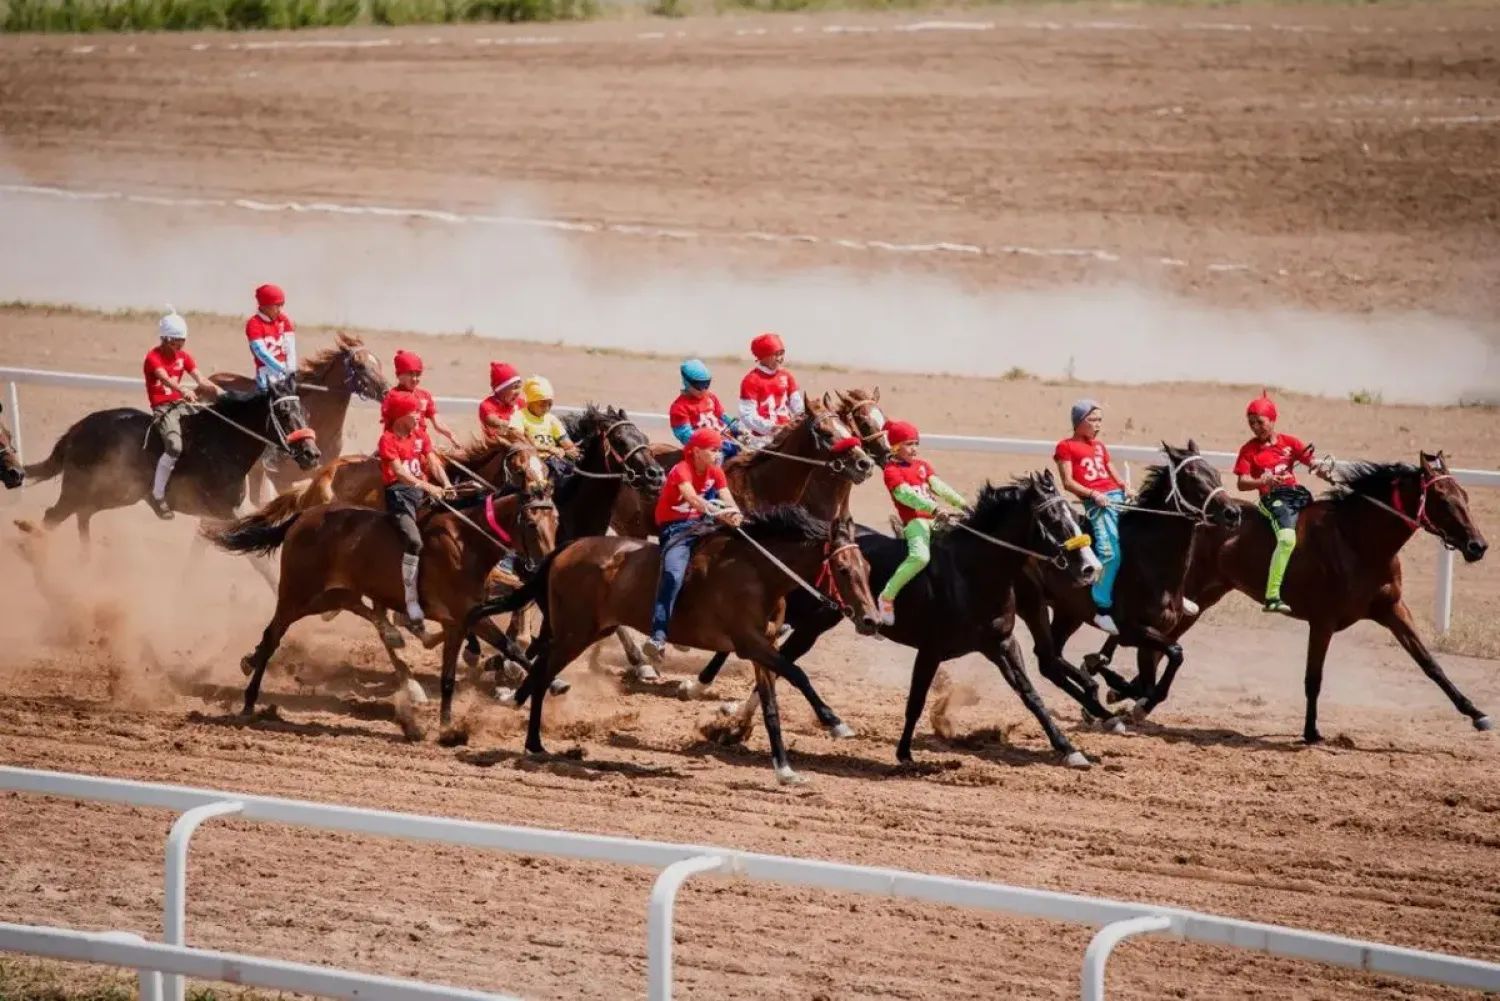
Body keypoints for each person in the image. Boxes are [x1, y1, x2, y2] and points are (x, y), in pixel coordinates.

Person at [643, 427, 743, 664]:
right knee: (673, 575)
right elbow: (693, 499)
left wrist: (735, 513)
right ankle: (657, 636)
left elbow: (727, 497)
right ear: (696, 451)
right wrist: (718, 512)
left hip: (703, 525)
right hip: (675, 528)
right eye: (713, 450)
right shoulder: (681, 469)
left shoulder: (716, 472)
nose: (718, 454)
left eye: (719, 449)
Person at [1233, 391, 1334, 615]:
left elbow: (1312, 463)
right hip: (1273, 499)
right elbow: (1242, 482)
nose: (1255, 427)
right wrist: (1262, 480)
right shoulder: (1249, 450)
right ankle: (1272, 595)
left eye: (1260, 422)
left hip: (1298, 495)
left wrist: (1323, 472)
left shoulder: (1289, 443)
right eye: (1251, 423)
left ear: (1272, 420)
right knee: (1287, 539)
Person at [876, 421, 967, 626]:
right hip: (916, 522)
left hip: (935, 519)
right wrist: (933, 509)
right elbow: (905, 496)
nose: (914, 449)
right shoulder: (891, 471)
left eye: (916, 443)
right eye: (909, 444)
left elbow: (941, 488)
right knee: (920, 557)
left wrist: (963, 505)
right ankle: (887, 596)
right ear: (895, 447)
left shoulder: (923, 466)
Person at [379, 390, 454, 630]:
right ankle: (409, 602)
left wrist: (447, 484)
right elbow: (399, 472)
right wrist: (428, 486)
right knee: (414, 541)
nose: (418, 416)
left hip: (422, 494)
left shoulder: (420, 435)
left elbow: (432, 461)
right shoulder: (388, 439)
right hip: (400, 496)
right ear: (401, 416)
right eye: (414, 412)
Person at [1055, 400, 1129, 634]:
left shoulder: (1099, 446)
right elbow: (1068, 482)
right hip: (1098, 504)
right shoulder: (1065, 447)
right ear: (1079, 422)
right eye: (1093, 420)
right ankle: (1102, 607)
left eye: (1100, 420)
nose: (1098, 425)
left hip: (1117, 497)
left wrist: (1125, 486)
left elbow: (1111, 471)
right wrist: (1093, 494)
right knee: (1110, 554)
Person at [143, 309, 219, 520]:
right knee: (174, 446)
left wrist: (218, 392)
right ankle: (157, 495)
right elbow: (165, 379)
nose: (179, 346)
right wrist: (183, 390)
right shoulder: (153, 358)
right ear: (165, 339)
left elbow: (200, 378)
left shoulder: (184, 357)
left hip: (180, 404)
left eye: (182, 341)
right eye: (175, 342)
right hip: (164, 408)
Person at [737, 332, 804, 443]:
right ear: (763, 356)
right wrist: (772, 427)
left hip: (787, 434)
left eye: (782, 354)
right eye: (775, 354)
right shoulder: (751, 380)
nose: (779, 358)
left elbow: (797, 405)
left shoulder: (786, 376)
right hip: (762, 439)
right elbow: (747, 415)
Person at [508, 376, 580, 478]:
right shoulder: (519, 416)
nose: (546, 408)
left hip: (554, 461)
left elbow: (567, 443)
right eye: (542, 404)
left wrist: (570, 450)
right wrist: (549, 449)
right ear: (530, 402)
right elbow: (520, 442)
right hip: (532, 462)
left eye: (550, 404)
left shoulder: (551, 419)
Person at [669, 359, 742, 460]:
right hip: (703, 450)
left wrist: (732, 425)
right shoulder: (679, 407)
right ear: (687, 382)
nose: (704, 389)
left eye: (707, 384)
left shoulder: (711, 397)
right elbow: (686, 435)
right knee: (718, 458)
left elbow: (722, 416)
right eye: (699, 386)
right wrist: (712, 441)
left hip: (725, 440)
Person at [393, 350, 458, 450]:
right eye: (410, 374)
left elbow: (438, 423)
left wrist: (451, 435)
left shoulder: (424, 395)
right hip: (401, 448)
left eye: (418, 374)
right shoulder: (394, 396)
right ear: (399, 376)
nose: (414, 379)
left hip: (422, 446)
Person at [245, 284, 297, 392]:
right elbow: (262, 353)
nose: (280, 309)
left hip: (287, 370)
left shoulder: (284, 319)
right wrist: (281, 370)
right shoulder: (254, 323)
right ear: (264, 305)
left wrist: (291, 369)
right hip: (266, 372)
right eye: (277, 305)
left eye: (282, 304)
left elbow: (290, 349)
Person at [479, 362, 523, 439]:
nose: (518, 392)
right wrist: (514, 425)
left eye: (519, 387)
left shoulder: (521, 403)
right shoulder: (487, 405)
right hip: (496, 447)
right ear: (500, 390)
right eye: (515, 387)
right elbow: (494, 422)